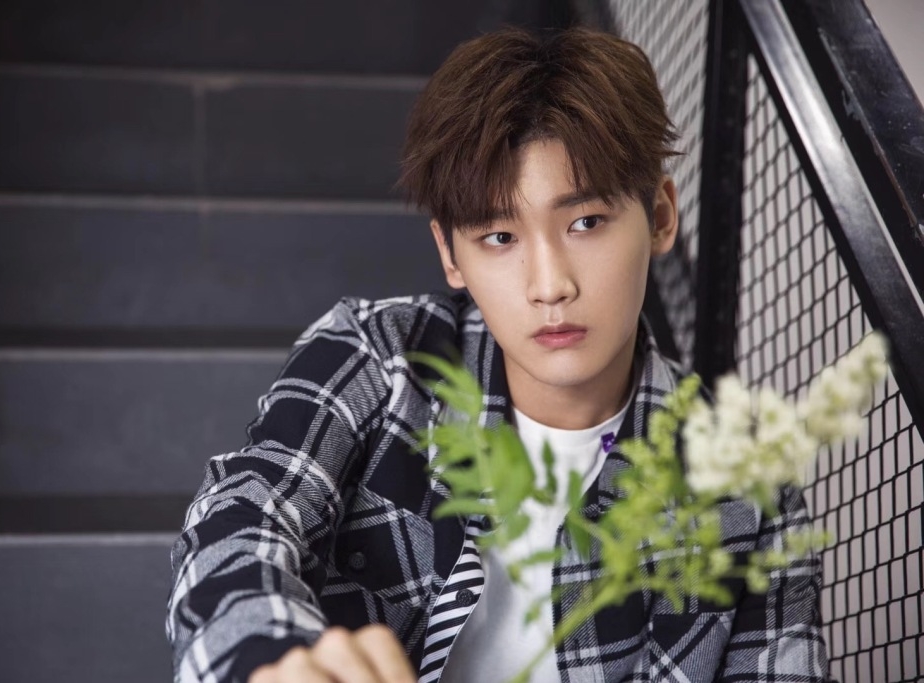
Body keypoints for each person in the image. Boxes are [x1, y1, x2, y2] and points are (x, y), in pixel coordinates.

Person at [166, 26, 830, 683]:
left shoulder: (747, 480)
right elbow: (242, 515)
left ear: (659, 216)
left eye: (586, 222)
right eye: (500, 237)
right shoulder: (378, 357)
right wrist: (272, 657)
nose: (551, 286)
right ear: (450, 254)